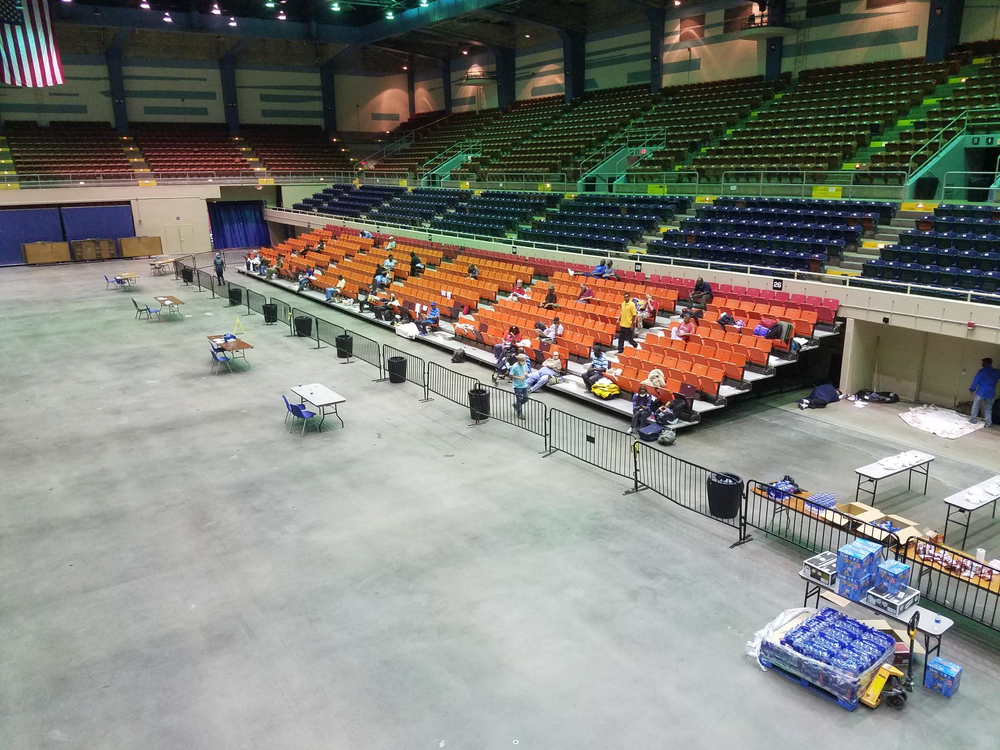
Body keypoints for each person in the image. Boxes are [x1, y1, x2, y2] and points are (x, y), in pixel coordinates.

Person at [969, 357, 1000, 427]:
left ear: (986, 363)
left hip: (981, 391)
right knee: (988, 407)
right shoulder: (996, 372)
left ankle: (973, 419)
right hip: (991, 392)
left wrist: (972, 389)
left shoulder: (982, 371)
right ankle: (988, 422)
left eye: (983, 362)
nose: (982, 363)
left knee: (976, 405)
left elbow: (976, 380)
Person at [510, 353, 530, 420]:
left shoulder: (525, 364)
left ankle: (516, 405)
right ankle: (519, 414)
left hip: (524, 385)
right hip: (517, 386)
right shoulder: (515, 366)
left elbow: (527, 370)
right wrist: (518, 378)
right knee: (519, 400)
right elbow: (511, 375)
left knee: (526, 398)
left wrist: (526, 374)